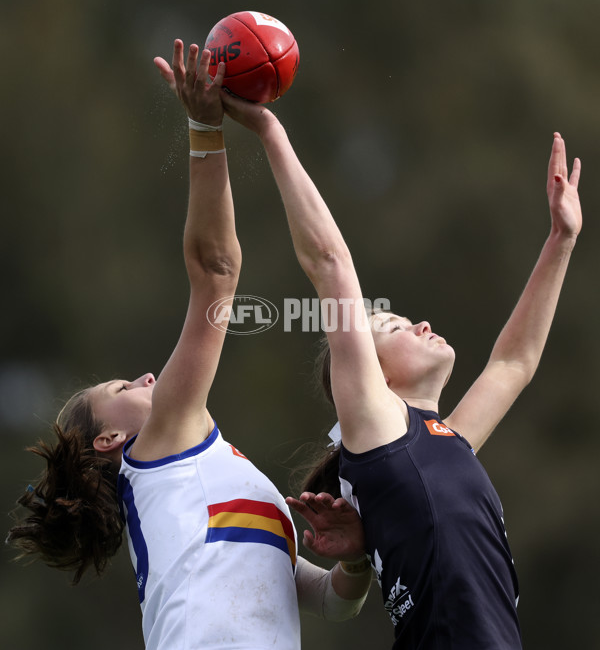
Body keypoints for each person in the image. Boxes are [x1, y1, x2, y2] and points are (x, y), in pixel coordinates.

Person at [7, 40, 373, 650]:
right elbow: (216, 271)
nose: (146, 377)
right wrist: (205, 129)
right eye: (123, 387)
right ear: (109, 442)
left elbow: (331, 602)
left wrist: (356, 560)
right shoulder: (157, 451)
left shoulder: (216, 475)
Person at [221, 91, 582, 649]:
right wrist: (271, 131)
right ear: (373, 378)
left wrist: (561, 239)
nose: (418, 325)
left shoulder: (446, 440)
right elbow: (329, 263)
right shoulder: (378, 430)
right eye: (393, 327)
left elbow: (515, 360)